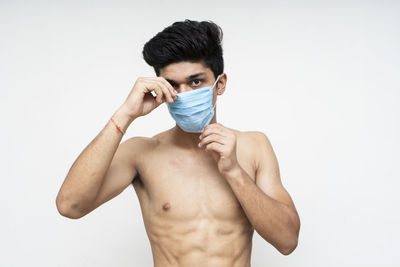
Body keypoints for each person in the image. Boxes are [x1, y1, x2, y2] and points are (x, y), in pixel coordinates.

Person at [56, 19, 301, 266]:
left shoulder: (254, 147)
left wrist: (234, 172)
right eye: (172, 85)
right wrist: (125, 114)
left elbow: (287, 241)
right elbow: (70, 205)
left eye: (196, 82)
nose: (183, 95)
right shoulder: (141, 153)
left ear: (221, 83)